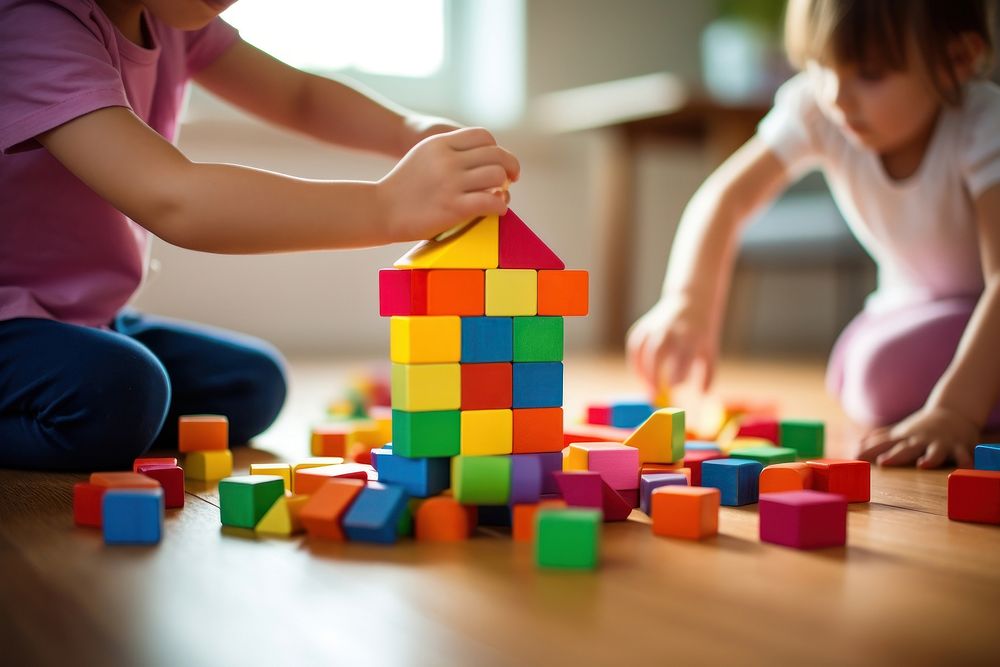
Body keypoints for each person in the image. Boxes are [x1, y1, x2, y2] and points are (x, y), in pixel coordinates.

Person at [0, 0, 520, 470]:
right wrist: (385, 206)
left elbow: (299, 97)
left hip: (85, 316)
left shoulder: (168, 18)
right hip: (9, 320)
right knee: (120, 393)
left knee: (251, 384)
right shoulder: (34, 26)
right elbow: (174, 198)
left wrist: (408, 129)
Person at [627, 0, 999, 468]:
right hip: (916, 307)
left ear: (958, 60)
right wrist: (688, 300)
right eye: (820, 65)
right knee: (852, 375)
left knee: (876, 376)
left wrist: (955, 411)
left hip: (987, 307)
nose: (836, 95)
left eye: (869, 73)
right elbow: (726, 197)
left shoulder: (982, 126)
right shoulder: (821, 106)